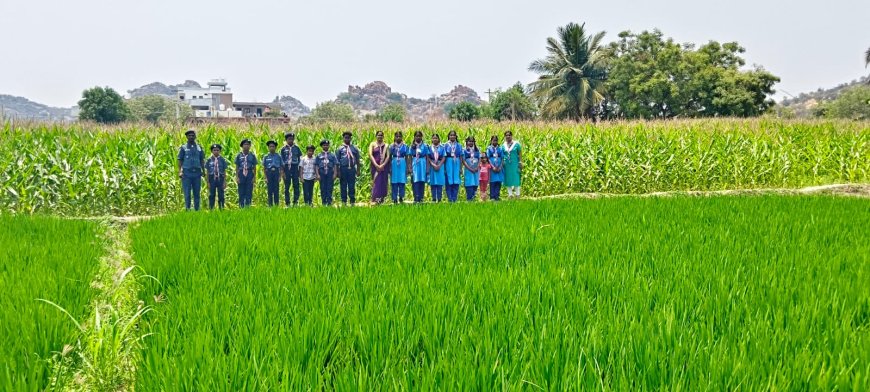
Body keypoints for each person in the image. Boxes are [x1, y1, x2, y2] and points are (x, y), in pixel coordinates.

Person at [177, 129, 205, 211]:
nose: (191, 137)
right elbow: (180, 160)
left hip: (197, 173)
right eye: (189, 136)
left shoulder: (199, 147)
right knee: (187, 193)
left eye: (193, 135)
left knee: (197, 193)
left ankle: (197, 209)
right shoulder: (183, 148)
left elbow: (202, 160)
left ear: (195, 136)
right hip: (186, 173)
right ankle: (188, 209)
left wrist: (203, 171)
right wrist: (180, 171)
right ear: (186, 137)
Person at [336, 131, 361, 205]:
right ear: (343, 138)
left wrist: (358, 170)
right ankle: (344, 201)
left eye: (348, 138)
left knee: (351, 185)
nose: (347, 139)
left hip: (352, 169)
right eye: (345, 138)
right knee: (343, 185)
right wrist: (338, 172)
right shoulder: (340, 149)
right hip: (343, 169)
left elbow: (357, 160)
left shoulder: (354, 148)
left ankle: (352, 201)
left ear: (351, 138)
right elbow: (337, 162)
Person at [280, 132, 303, 206]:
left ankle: (295, 202)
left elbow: (300, 159)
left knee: (296, 185)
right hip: (286, 168)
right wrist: (282, 172)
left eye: (292, 139)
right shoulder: (283, 149)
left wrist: (299, 170)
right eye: (289, 139)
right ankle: (287, 202)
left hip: (295, 167)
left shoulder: (297, 148)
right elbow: (281, 160)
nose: (291, 140)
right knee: (287, 186)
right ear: (286, 140)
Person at [235, 139, 258, 208]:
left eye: (248, 144)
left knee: (249, 191)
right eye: (245, 144)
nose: (246, 146)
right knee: (241, 191)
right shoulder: (239, 155)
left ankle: (248, 206)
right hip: (241, 173)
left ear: (250, 146)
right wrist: (237, 177)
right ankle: (241, 206)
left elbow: (254, 167)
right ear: (242, 146)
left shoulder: (252, 156)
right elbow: (237, 167)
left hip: (249, 173)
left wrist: (254, 177)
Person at [389, 131, 410, 204]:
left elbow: (407, 157)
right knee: (394, 181)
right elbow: (389, 157)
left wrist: (407, 167)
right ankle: (394, 198)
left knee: (402, 181)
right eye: (396, 136)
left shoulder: (405, 146)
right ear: (394, 137)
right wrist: (390, 167)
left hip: (402, 163)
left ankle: (401, 197)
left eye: (399, 136)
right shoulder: (391, 146)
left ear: (402, 137)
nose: (398, 138)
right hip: (394, 163)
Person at [368, 130, 389, 204]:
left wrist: (383, 165)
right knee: (376, 182)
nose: (380, 137)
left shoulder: (386, 145)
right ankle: (375, 199)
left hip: (383, 167)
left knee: (383, 182)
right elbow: (370, 155)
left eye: (381, 135)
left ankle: (382, 199)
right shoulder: (372, 144)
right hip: (375, 167)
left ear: (383, 136)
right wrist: (376, 165)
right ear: (376, 136)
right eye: (378, 135)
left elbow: (388, 156)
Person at [205, 144, 228, 210]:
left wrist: (224, 181)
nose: (216, 151)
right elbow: (207, 172)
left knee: (221, 195)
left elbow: (224, 171)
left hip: (220, 178)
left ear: (220, 151)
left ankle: (221, 209)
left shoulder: (222, 160)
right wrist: (208, 182)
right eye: (214, 150)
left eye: (218, 150)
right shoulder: (209, 160)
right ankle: (211, 209)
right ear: (212, 151)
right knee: (211, 195)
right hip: (212, 179)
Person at [315, 139, 338, 206]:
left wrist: (335, 174)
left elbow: (335, 164)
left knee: (330, 188)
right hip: (322, 173)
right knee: (322, 188)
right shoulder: (319, 155)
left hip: (330, 172)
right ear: (322, 146)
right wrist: (317, 174)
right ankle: (324, 202)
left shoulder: (332, 155)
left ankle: (329, 202)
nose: (326, 146)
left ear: (329, 146)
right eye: (324, 145)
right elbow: (316, 165)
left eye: (327, 145)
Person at [409, 130, 430, 203]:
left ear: (422, 137)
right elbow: (410, 157)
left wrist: (427, 168)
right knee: (415, 180)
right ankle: (416, 197)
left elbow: (427, 157)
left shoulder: (425, 146)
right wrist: (410, 167)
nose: (418, 137)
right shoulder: (412, 146)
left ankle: (421, 197)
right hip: (415, 163)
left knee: (422, 180)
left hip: (422, 163)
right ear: (414, 137)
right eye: (416, 136)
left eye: (419, 136)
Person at [443, 130, 463, 203]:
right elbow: (444, 157)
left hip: (456, 162)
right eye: (451, 135)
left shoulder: (459, 145)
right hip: (448, 162)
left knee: (456, 180)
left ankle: (454, 198)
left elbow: (461, 156)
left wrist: (460, 168)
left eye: (453, 135)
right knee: (448, 180)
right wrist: (444, 167)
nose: (452, 136)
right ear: (448, 136)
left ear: (456, 136)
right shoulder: (445, 145)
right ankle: (450, 198)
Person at [503, 130, 522, 199]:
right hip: (507, 165)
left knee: (516, 178)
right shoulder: (503, 145)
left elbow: (519, 153)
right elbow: (502, 154)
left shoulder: (516, 144)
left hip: (515, 163)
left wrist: (520, 162)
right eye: (506, 135)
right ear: (505, 137)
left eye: (509, 135)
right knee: (508, 179)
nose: (508, 136)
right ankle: (510, 195)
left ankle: (517, 194)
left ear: (511, 136)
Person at [262, 140, 283, 207]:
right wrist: (265, 177)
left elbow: (281, 167)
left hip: (276, 173)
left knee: (276, 190)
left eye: (273, 146)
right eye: (270, 146)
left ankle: (276, 205)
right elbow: (264, 168)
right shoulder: (266, 157)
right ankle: (270, 205)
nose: (272, 148)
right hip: (269, 173)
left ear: (275, 147)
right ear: (268, 147)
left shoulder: (278, 156)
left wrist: (280, 177)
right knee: (269, 190)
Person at [428, 133, 446, 202]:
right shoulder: (429, 147)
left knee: (439, 182)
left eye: (436, 138)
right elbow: (428, 157)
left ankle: (439, 198)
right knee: (433, 182)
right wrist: (433, 164)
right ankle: (433, 198)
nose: (435, 139)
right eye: (433, 138)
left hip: (440, 166)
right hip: (432, 166)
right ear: (432, 139)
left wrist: (439, 165)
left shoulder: (442, 147)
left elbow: (444, 157)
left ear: (439, 139)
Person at [486, 135, 505, 201]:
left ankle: (497, 196)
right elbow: (488, 158)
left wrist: (500, 167)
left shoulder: (500, 149)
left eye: (496, 140)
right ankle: (492, 197)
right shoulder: (489, 148)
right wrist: (493, 167)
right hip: (492, 169)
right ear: (491, 141)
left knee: (498, 182)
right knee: (493, 182)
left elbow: (502, 158)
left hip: (499, 168)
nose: (495, 142)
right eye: (493, 140)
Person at [462, 137, 480, 201]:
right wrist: (470, 168)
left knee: (475, 182)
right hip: (468, 170)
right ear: (467, 142)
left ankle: (473, 197)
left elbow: (479, 159)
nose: (471, 142)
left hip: (476, 170)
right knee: (469, 182)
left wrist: (477, 167)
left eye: (472, 141)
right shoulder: (464, 150)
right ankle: (469, 198)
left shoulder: (477, 150)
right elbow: (463, 161)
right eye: (469, 141)